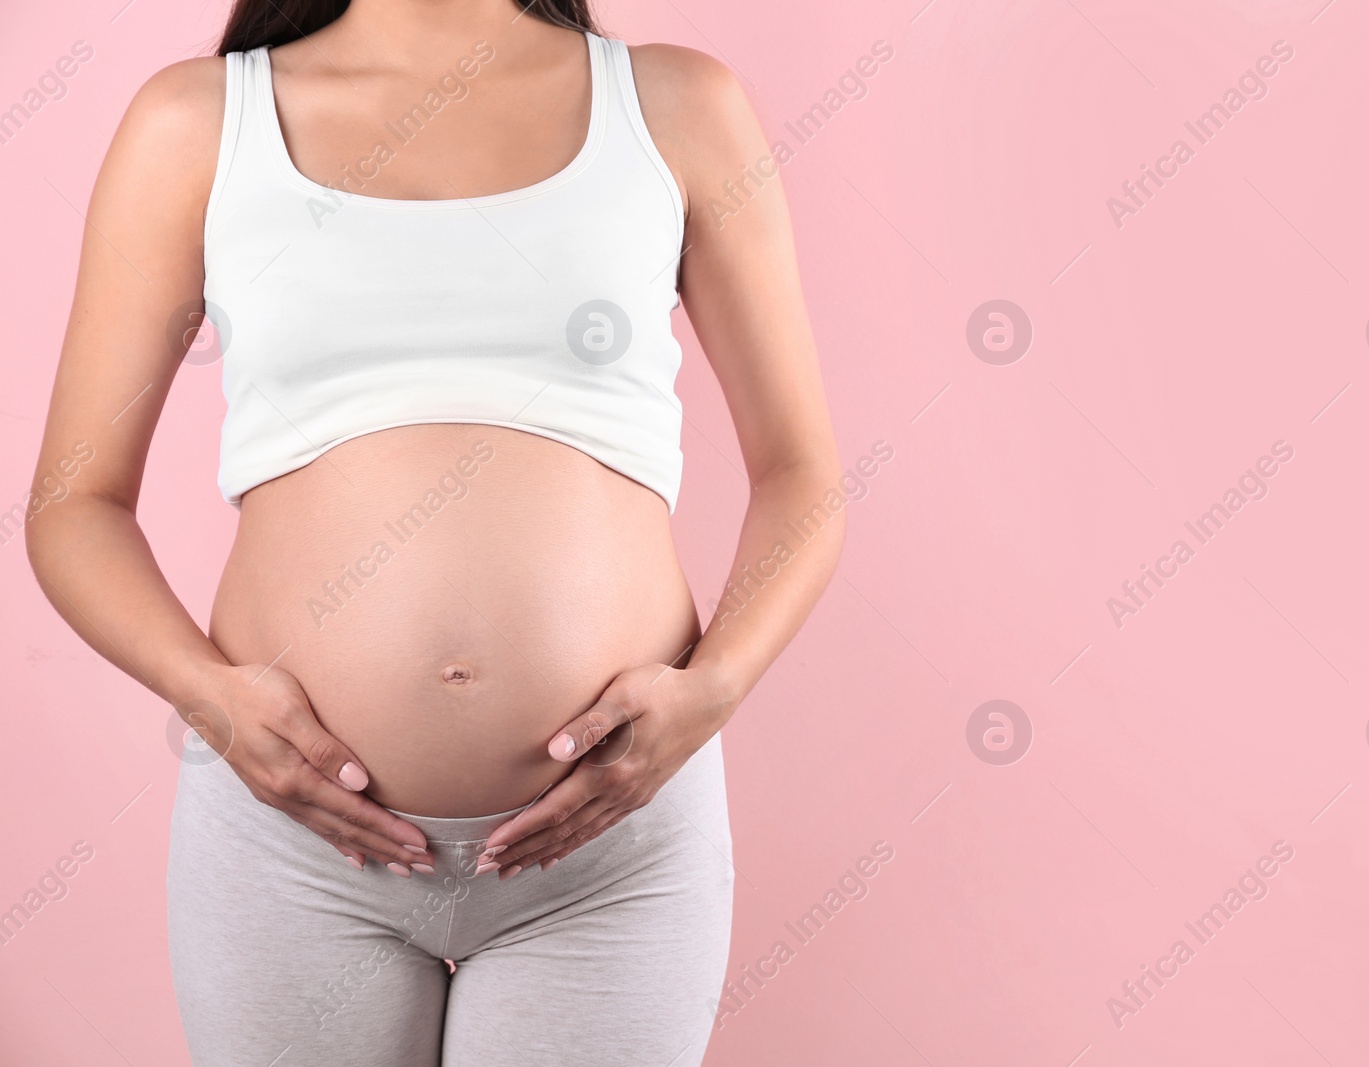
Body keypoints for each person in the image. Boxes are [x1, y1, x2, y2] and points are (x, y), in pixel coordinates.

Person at [25, 1, 844, 1064]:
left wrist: (713, 688)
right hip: (298, 850)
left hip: (611, 852)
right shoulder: (198, 122)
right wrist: (210, 696)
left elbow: (803, 473)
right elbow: (73, 506)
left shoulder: (678, 106)